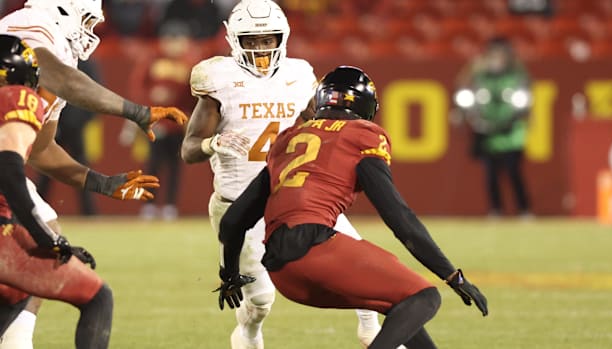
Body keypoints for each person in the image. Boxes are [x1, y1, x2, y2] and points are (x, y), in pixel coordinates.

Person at [216, 66, 489, 349]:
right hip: (313, 248)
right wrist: (451, 275)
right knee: (425, 298)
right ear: (366, 105)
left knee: (399, 300)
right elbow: (399, 218)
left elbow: (232, 222)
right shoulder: (362, 135)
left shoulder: (288, 139)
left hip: (280, 269)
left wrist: (230, 275)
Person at [182, 1, 385, 348]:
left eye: (268, 38)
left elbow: (319, 124)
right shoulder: (219, 80)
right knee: (261, 301)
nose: (262, 48)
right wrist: (212, 143)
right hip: (240, 203)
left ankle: (371, 327)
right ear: (234, 39)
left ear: (283, 36)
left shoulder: (299, 75)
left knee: (360, 255)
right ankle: (248, 331)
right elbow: (188, 149)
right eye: (253, 40)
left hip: (295, 194)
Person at [0, 0, 187, 347]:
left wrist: (102, 182)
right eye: (87, 18)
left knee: (44, 240)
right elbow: (55, 73)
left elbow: (40, 149)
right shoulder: (33, 25)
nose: (90, 30)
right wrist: (134, 111)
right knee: (66, 270)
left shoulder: (53, 50)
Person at [0, 34, 112, 349]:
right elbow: (9, 174)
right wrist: (50, 242)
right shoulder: (17, 98)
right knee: (98, 297)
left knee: (15, 292)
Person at [120, 20, 197, 221]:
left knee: (175, 167)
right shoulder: (152, 60)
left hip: (178, 123)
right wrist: (151, 100)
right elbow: (138, 87)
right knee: (153, 165)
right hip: (156, 122)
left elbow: (193, 95)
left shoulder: (189, 65)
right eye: (170, 40)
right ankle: (149, 205)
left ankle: (170, 205)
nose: (173, 45)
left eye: (177, 40)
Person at [454, 37, 532, 217]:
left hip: (511, 133)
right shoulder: (479, 76)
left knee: (513, 172)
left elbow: (524, 102)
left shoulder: (516, 76)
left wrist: (513, 118)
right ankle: (496, 209)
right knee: (491, 175)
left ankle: (524, 209)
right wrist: (470, 116)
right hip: (487, 131)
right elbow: (465, 93)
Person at [37, 59, 102, 216]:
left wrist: (81, 121)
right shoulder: (55, 59)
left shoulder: (84, 64)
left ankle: (89, 212)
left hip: (75, 127)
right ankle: (36, 210)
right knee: (47, 169)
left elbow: (96, 94)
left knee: (80, 170)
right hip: (54, 124)